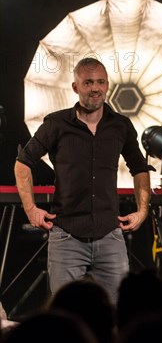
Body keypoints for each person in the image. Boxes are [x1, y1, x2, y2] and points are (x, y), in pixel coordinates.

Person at [14, 57, 153, 304]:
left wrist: (142, 211)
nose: (95, 88)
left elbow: (140, 168)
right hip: (66, 236)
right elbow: (23, 163)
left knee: (116, 315)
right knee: (64, 319)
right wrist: (30, 208)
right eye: (88, 82)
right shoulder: (56, 123)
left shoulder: (120, 125)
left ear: (107, 85)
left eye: (100, 82)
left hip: (110, 235)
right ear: (75, 87)